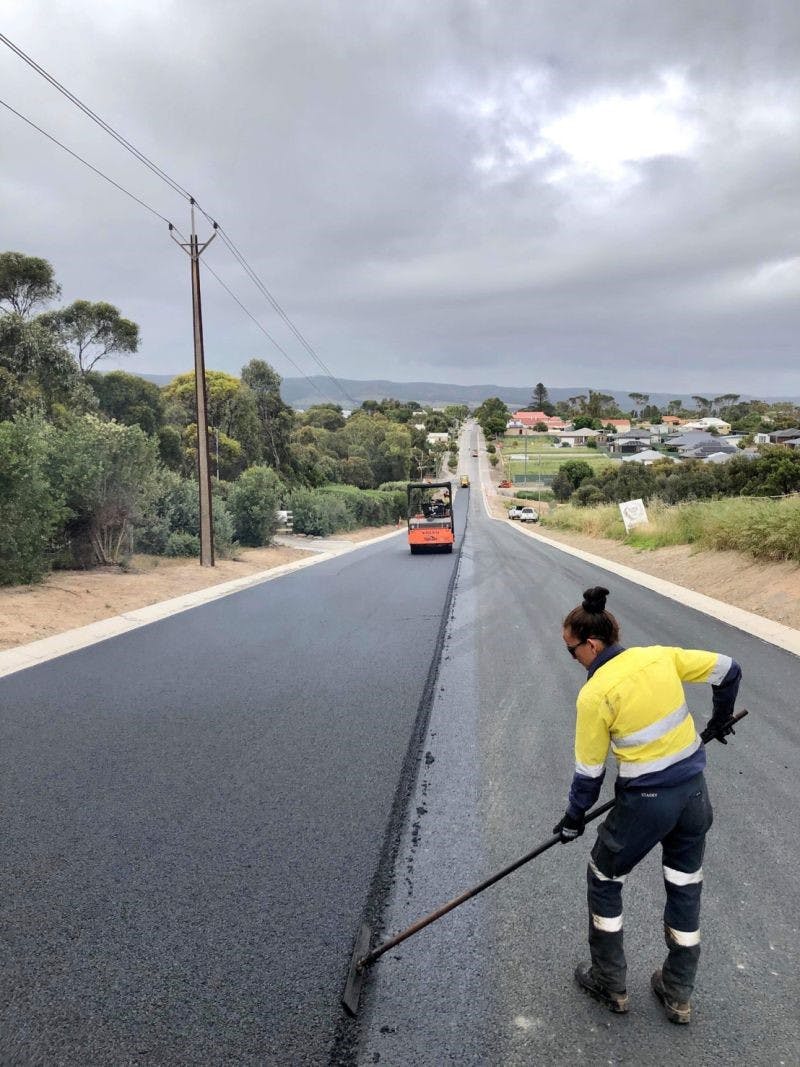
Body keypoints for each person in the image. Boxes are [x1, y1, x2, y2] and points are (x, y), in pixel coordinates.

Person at [553, 586, 741, 1024]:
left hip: (646, 805)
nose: (573, 658)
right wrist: (720, 719)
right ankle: (678, 992)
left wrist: (572, 820)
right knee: (685, 883)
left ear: (592, 644)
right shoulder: (659, 656)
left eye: (571, 651)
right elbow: (729, 670)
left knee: (604, 874)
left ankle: (609, 980)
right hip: (694, 796)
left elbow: (589, 774)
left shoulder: (595, 693)